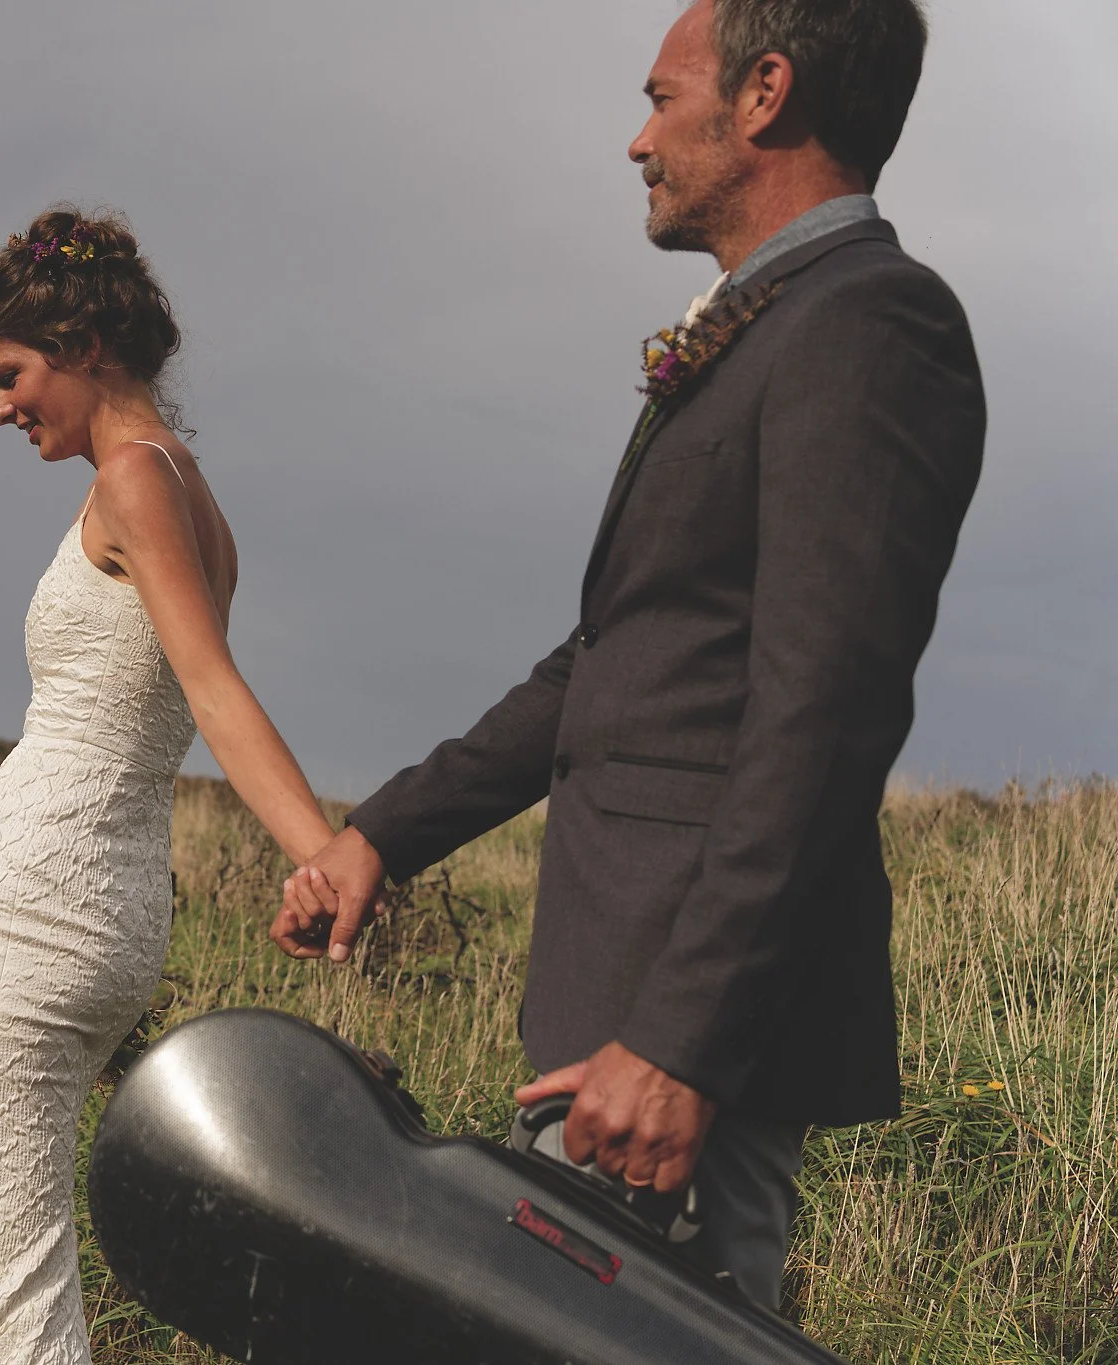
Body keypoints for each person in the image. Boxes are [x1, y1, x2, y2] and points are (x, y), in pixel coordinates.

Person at [278, 0, 983, 1312]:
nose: (635, 139)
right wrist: (381, 835)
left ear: (764, 94)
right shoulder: (763, 327)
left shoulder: (871, 324)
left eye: (663, 98)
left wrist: (680, 1042)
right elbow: (611, 660)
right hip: (617, 1029)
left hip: (676, 1057)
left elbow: (820, 714)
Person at [0, 208, 337, 1364]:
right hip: (106, 895)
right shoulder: (189, 488)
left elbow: (213, 690)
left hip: (40, 904)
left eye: (10, 374)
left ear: (82, 343)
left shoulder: (134, 482)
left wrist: (321, 856)